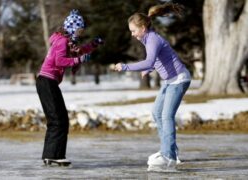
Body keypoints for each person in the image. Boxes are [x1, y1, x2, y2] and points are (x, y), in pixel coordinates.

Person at [115, 3, 191, 172]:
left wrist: (126, 67)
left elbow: (150, 60)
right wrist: (149, 69)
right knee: (157, 113)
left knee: (166, 116)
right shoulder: (147, 38)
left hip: (179, 79)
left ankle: (168, 156)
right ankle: (171, 151)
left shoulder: (152, 39)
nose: (133, 34)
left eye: (134, 30)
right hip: (169, 80)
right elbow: (157, 58)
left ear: (142, 27)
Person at [36, 9, 103, 166]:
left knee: (58, 119)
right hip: (47, 81)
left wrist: (93, 45)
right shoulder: (62, 42)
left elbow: (80, 51)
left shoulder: (66, 41)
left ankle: (50, 155)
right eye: (79, 30)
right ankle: (54, 155)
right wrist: (77, 60)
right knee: (59, 120)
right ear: (72, 28)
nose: (80, 33)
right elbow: (60, 61)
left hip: (47, 82)